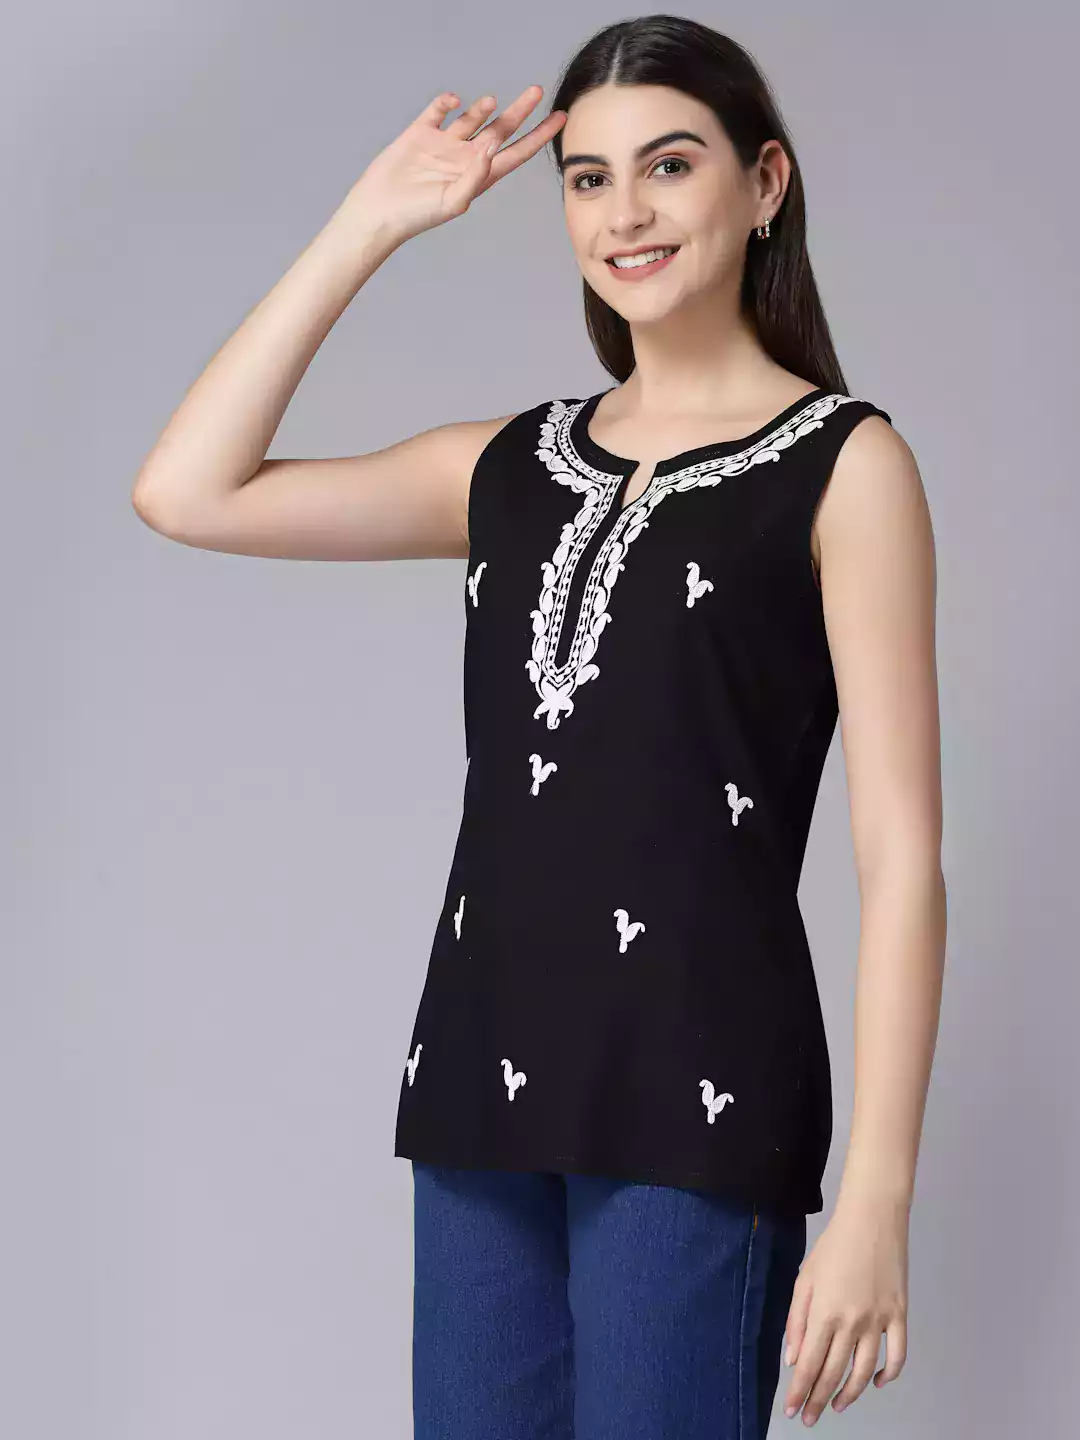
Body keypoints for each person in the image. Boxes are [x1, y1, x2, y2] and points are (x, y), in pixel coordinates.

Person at [131, 14, 945, 1438]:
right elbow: (187, 491)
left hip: (699, 1098)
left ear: (764, 183)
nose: (625, 212)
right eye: (587, 177)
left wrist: (876, 1199)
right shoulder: (506, 467)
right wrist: (369, 224)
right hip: (478, 1084)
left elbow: (903, 860)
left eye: (669, 165)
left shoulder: (845, 466)